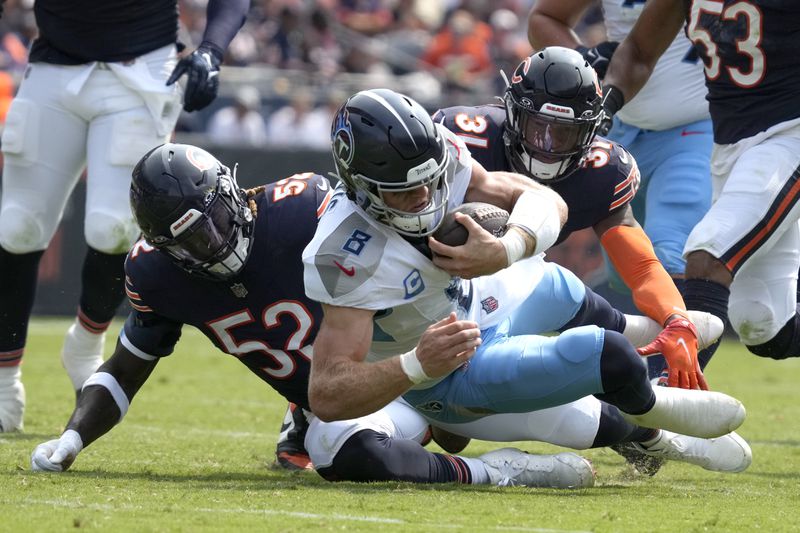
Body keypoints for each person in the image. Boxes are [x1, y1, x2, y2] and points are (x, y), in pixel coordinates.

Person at [30, 144, 750, 483]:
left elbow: (465, 223)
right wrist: (71, 439)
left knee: (546, 298)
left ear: (233, 190)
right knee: (344, 452)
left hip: (426, 337)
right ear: (161, 246)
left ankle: (646, 396)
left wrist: (495, 244)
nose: (213, 242)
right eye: (189, 239)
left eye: (214, 220)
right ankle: (504, 471)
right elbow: (127, 367)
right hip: (366, 389)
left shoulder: (311, 208)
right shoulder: (159, 276)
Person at [303, 89, 749, 460]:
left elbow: (544, 199)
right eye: (405, 192)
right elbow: (326, 392)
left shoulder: (438, 152)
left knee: (548, 277)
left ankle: (643, 328)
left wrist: (506, 248)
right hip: (451, 369)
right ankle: (657, 412)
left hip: (479, 299)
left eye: (429, 181)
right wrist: (416, 364)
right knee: (603, 356)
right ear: (361, 185)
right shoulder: (345, 251)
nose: (424, 197)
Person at [0, 0, 250, 433]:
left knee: (113, 227)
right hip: (52, 65)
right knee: (16, 225)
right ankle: (4, 383)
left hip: (143, 68)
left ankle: (85, 346)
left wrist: (212, 49)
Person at [434, 46, 706, 391]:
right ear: (514, 114)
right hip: (436, 281)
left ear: (591, 131)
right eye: (538, 128)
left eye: (566, 133)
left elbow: (642, 268)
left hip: (517, 287)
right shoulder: (466, 136)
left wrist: (676, 319)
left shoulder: (602, 171)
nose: (548, 144)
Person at [527, 0, 716, 380]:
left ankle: (666, 381)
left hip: (695, 125)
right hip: (618, 125)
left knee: (672, 248)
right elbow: (544, 17)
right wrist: (582, 59)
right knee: (628, 270)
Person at [602, 1, 800, 362]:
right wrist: (607, 103)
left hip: (789, 134)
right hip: (730, 146)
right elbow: (639, 50)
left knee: (707, 256)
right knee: (764, 325)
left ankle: (665, 398)